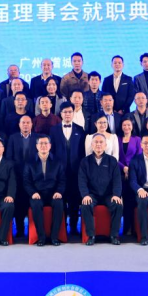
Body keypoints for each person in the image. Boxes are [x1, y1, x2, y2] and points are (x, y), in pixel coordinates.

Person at [78, 134, 124, 245]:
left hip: (109, 195)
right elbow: (82, 181)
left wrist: (116, 195)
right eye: (96, 142)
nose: (98, 144)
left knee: (118, 205)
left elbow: (117, 181)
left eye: (101, 142)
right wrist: (85, 195)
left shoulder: (112, 161)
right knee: (85, 205)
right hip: (92, 195)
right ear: (92, 145)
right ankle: (91, 236)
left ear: (105, 145)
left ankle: (113, 235)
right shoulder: (85, 161)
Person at [50, 102, 85, 235]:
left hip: (75, 171)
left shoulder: (80, 129)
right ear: (61, 114)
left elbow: (82, 152)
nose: (68, 114)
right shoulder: (53, 130)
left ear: (73, 113)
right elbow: (51, 151)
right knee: (61, 199)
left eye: (70, 112)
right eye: (65, 112)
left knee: (74, 200)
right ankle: (62, 227)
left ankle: (74, 227)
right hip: (59, 172)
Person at [25, 134, 66, 246]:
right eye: (41, 144)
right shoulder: (29, 162)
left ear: (50, 146)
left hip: (53, 193)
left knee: (59, 203)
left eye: (46, 143)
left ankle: (54, 237)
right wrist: (33, 193)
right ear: (36, 146)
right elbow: (26, 181)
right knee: (36, 204)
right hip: (37, 193)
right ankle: (41, 237)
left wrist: (59, 192)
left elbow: (62, 180)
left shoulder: (58, 161)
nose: (43, 146)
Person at [6, 115, 36, 236]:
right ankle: (19, 229)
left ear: (31, 124)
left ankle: (33, 229)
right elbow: (9, 157)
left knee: (31, 202)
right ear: (19, 124)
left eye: (28, 122)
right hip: (17, 175)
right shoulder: (13, 138)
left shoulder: (37, 138)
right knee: (18, 203)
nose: (25, 125)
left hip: (33, 177)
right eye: (23, 123)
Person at [117, 117, 142, 236]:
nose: (126, 127)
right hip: (119, 173)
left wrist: (130, 169)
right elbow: (115, 157)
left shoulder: (137, 139)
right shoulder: (117, 139)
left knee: (131, 201)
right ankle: (123, 229)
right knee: (121, 201)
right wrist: (124, 168)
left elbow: (139, 156)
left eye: (128, 125)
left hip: (134, 174)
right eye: (124, 125)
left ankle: (132, 228)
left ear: (132, 126)